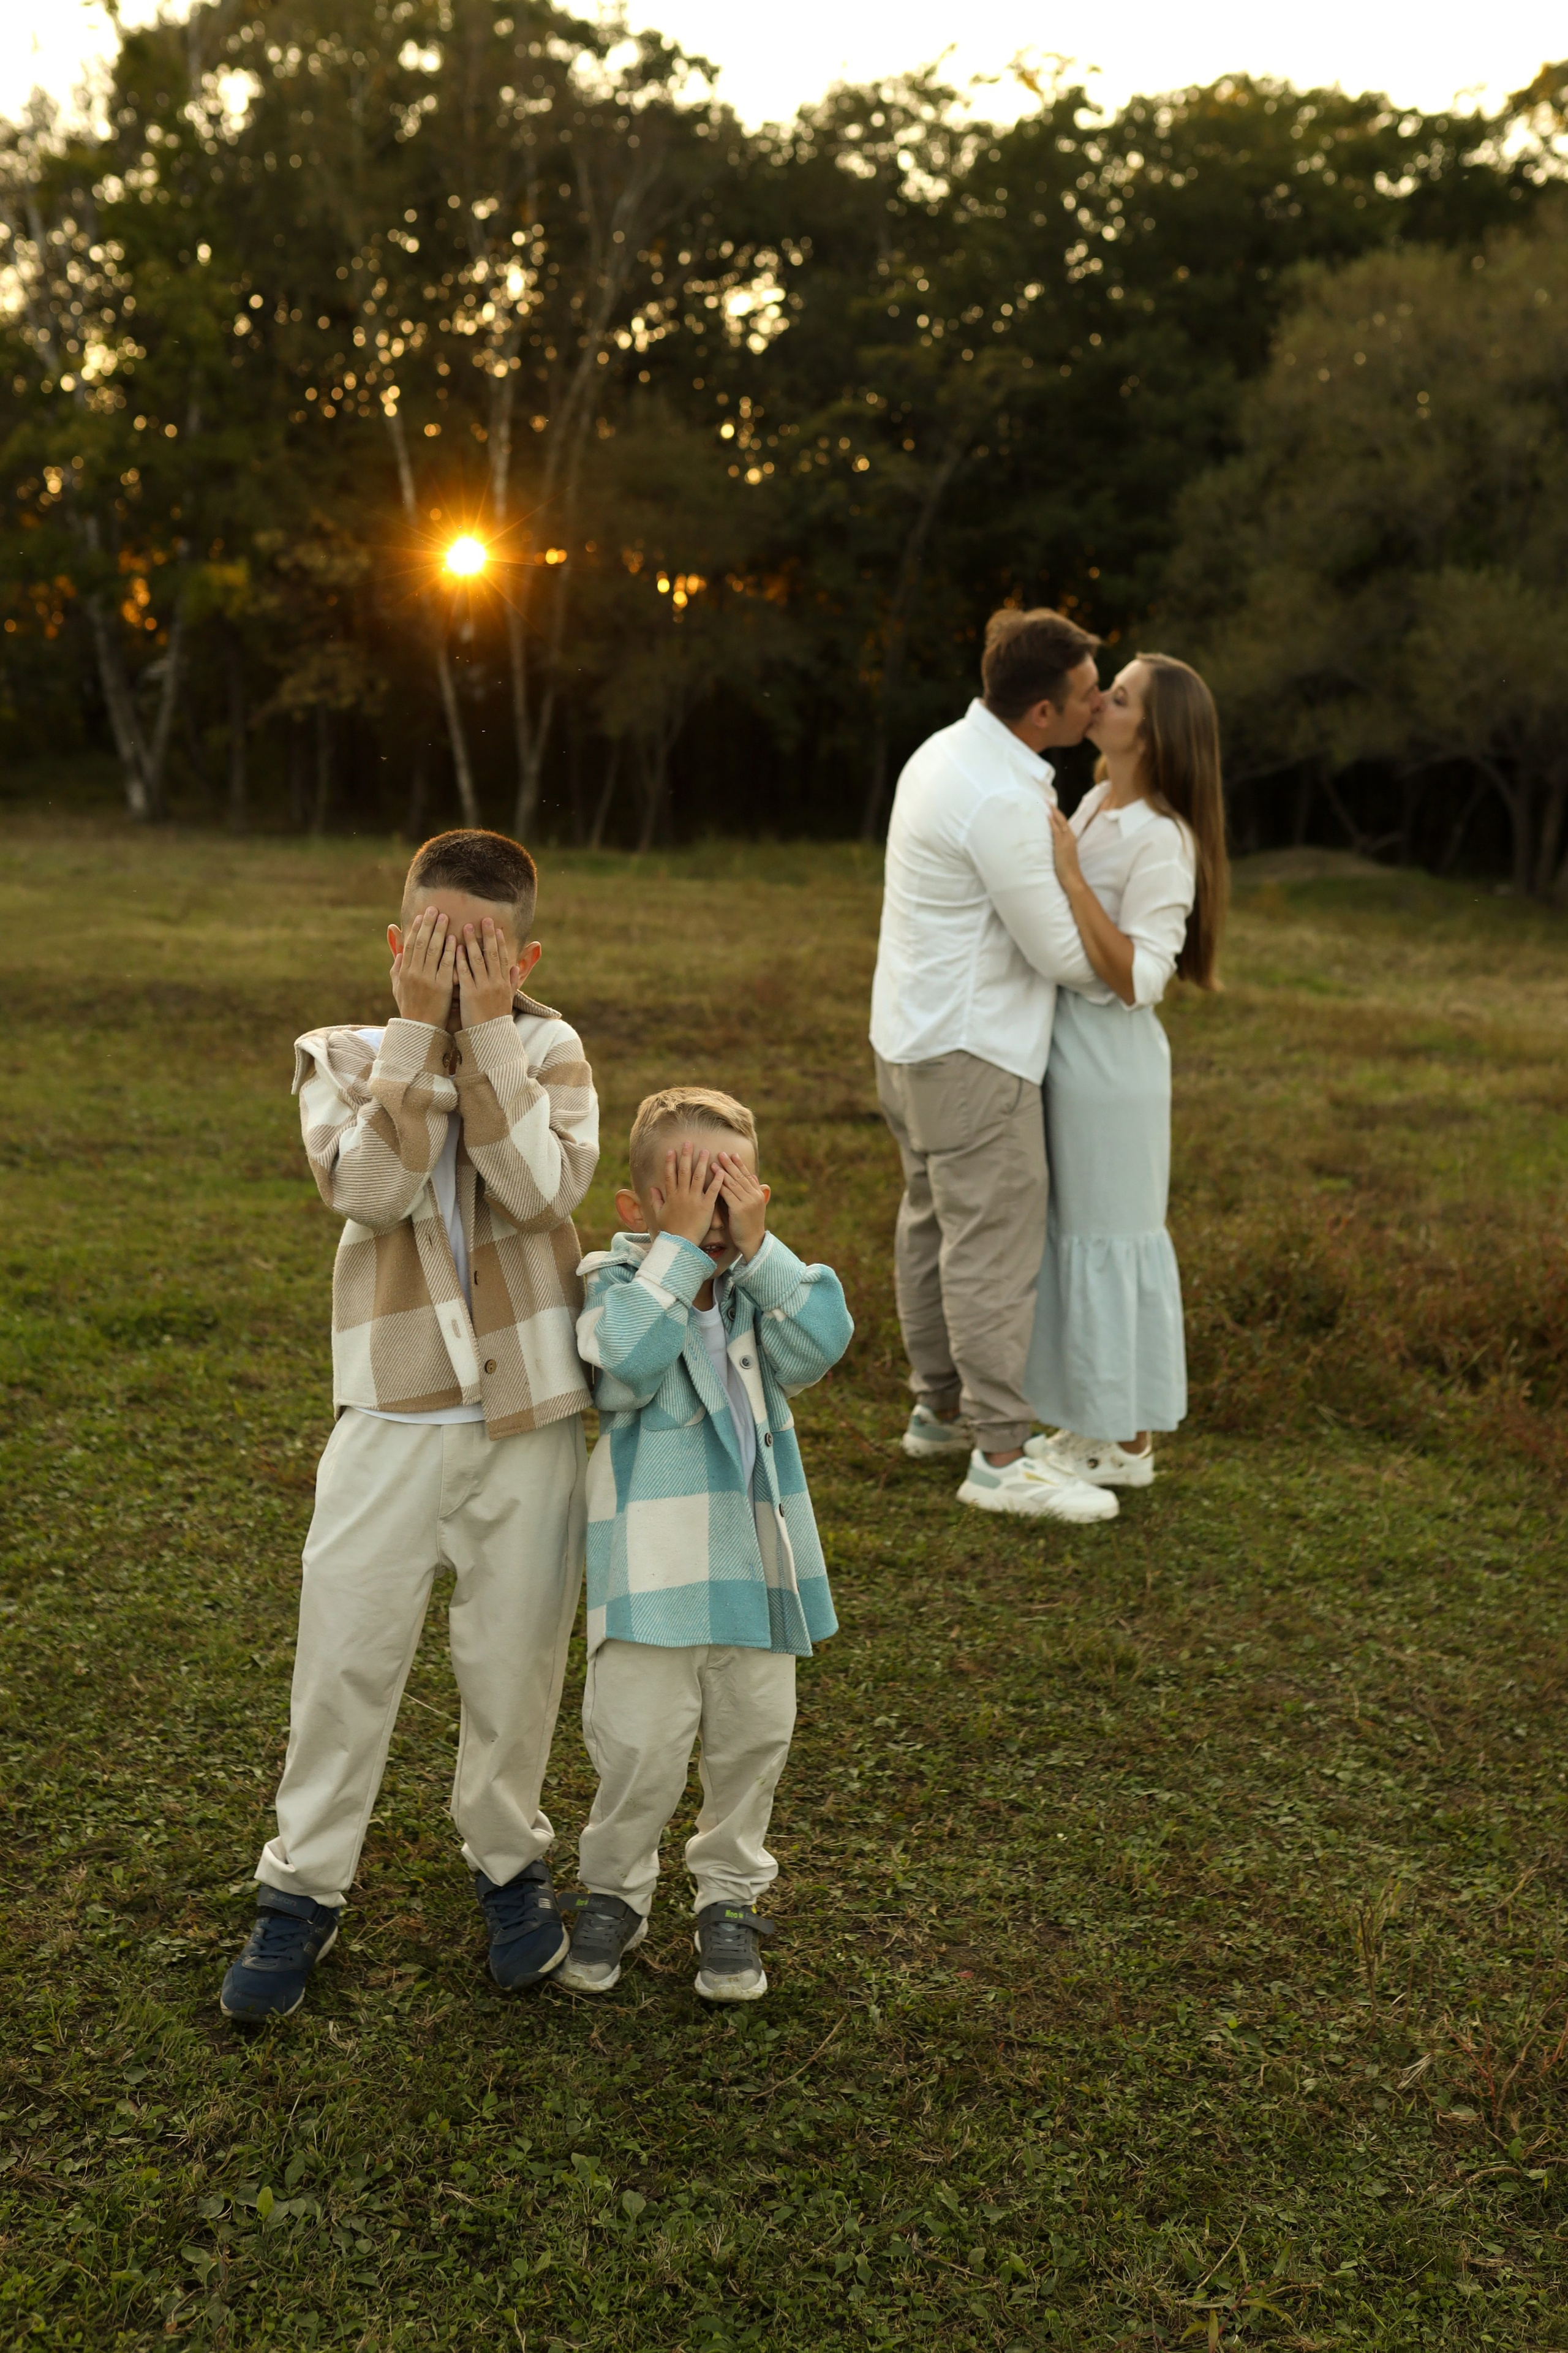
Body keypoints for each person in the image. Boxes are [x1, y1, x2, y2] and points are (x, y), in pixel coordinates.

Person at [219, 829, 598, 2022]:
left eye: (478, 951)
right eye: (432, 944)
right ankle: (302, 1886)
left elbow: (539, 1190)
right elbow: (374, 1190)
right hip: (389, 1407)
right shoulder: (338, 1054)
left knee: (515, 1657)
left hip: (529, 1407)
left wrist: (485, 1038)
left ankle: (506, 1861)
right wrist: (420, 1045)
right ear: (396, 944)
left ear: (523, 953)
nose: (451, 967)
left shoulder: (551, 1048)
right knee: (347, 1646)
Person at [559, 1087, 851, 2003]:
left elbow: (825, 1338)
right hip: (652, 1577)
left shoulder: (761, 1294)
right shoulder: (619, 1283)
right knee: (639, 1746)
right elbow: (623, 1368)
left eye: (728, 1195)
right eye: (689, 1194)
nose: (712, 1221)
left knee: (754, 1739)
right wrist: (676, 1254)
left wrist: (758, 1252)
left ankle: (729, 1895)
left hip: (757, 1574)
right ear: (636, 1208)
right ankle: (614, 1888)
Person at [869, 606, 1119, 1524]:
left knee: (932, 1226)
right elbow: (1063, 954)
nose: (1102, 703)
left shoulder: (945, 750)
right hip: (972, 1052)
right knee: (989, 1247)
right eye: (1090, 693)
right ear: (1043, 714)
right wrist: (1128, 951)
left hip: (910, 1036)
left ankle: (939, 1410)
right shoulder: (1006, 798)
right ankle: (1001, 1454)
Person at [1023, 654, 1229, 1489]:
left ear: (1154, 732)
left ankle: (1126, 1443)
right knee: (1077, 1241)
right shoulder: (1102, 799)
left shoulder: (1165, 838)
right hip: (1071, 1051)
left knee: (1111, 1241)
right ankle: (1091, 1426)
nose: (1101, 700)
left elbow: (1144, 978)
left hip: (1114, 1067)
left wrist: (1070, 877)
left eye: (1121, 695)